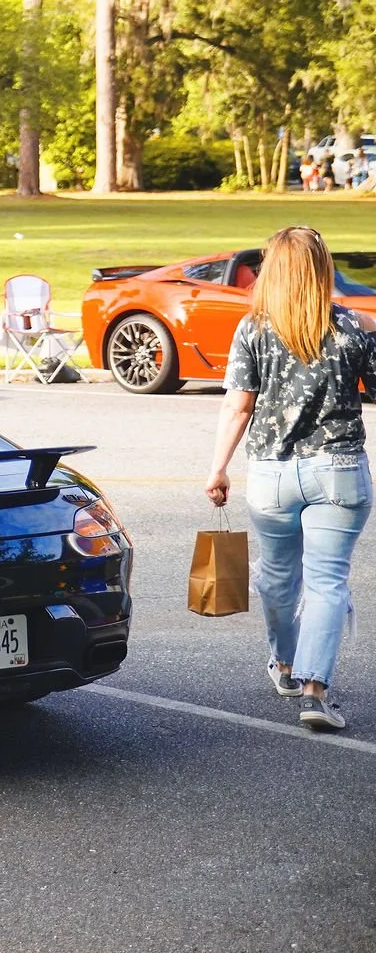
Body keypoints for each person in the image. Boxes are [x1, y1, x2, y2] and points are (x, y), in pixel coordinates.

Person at [205, 226, 376, 732]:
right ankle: (314, 690)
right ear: (323, 269)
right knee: (327, 582)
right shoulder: (353, 328)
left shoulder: (253, 329)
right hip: (340, 473)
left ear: (272, 270)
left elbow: (238, 406)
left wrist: (217, 468)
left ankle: (283, 665)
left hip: (272, 475)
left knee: (278, 577)